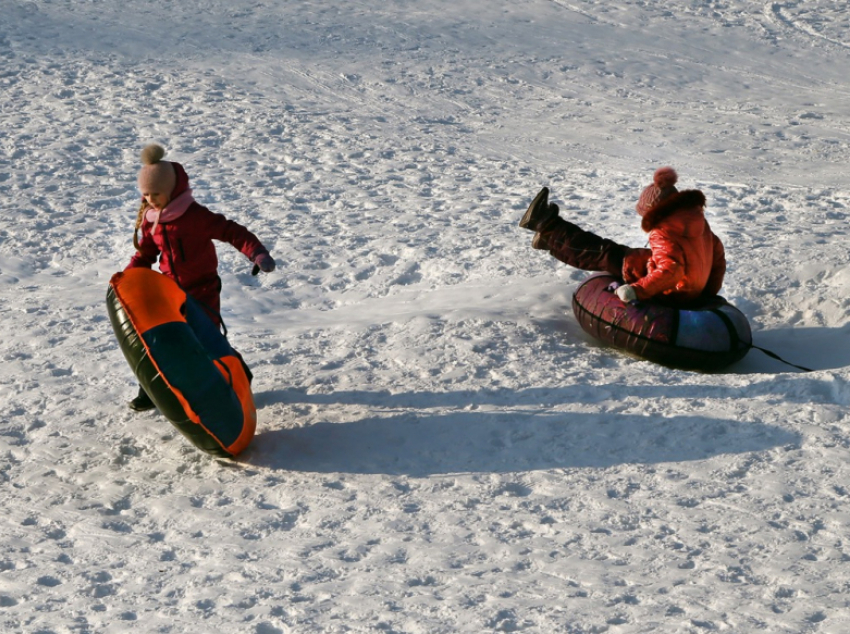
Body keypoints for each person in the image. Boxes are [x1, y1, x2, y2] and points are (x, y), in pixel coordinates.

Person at [125, 144, 276, 411]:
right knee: (162, 341)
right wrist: (127, 278)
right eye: (146, 194)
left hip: (203, 291)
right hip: (171, 293)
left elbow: (231, 231)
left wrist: (257, 252)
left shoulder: (195, 216)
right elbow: (146, 253)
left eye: (156, 193)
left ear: (172, 190)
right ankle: (150, 390)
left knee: (207, 342)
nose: (151, 199)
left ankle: (238, 379)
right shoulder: (152, 220)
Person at [519, 167, 725, 306]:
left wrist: (637, 291)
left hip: (673, 292)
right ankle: (548, 236)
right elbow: (718, 258)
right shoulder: (698, 221)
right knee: (620, 253)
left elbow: (671, 270)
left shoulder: (664, 231)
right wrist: (706, 293)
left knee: (603, 253)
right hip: (689, 289)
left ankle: (544, 224)